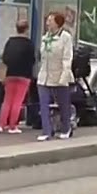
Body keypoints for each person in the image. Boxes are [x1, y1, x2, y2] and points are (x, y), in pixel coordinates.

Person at [36, 11, 75, 141]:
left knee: (63, 104)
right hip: (44, 75)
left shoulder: (65, 37)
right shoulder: (45, 37)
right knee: (43, 104)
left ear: (57, 23)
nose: (47, 23)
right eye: (47, 20)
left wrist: (64, 76)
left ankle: (66, 128)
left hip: (59, 75)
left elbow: (67, 58)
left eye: (50, 21)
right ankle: (46, 131)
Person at [0, 20, 34, 134]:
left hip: (10, 74)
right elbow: (32, 60)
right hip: (24, 75)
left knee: (7, 100)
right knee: (18, 101)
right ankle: (13, 126)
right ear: (27, 29)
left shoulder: (10, 42)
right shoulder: (29, 44)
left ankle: (0, 125)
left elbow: (5, 58)